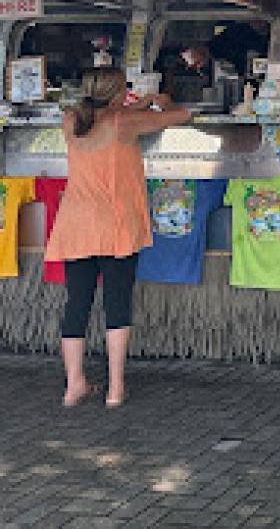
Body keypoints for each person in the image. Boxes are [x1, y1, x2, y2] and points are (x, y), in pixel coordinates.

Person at [45, 67, 191, 407]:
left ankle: (74, 385)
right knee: (117, 303)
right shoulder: (123, 124)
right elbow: (181, 116)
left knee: (77, 305)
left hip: (76, 225)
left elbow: (105, 117)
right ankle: (115, 388)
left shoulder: (71, 120)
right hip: (115, 226)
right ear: (118, 93)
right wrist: (162, 102)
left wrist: (139, 105)